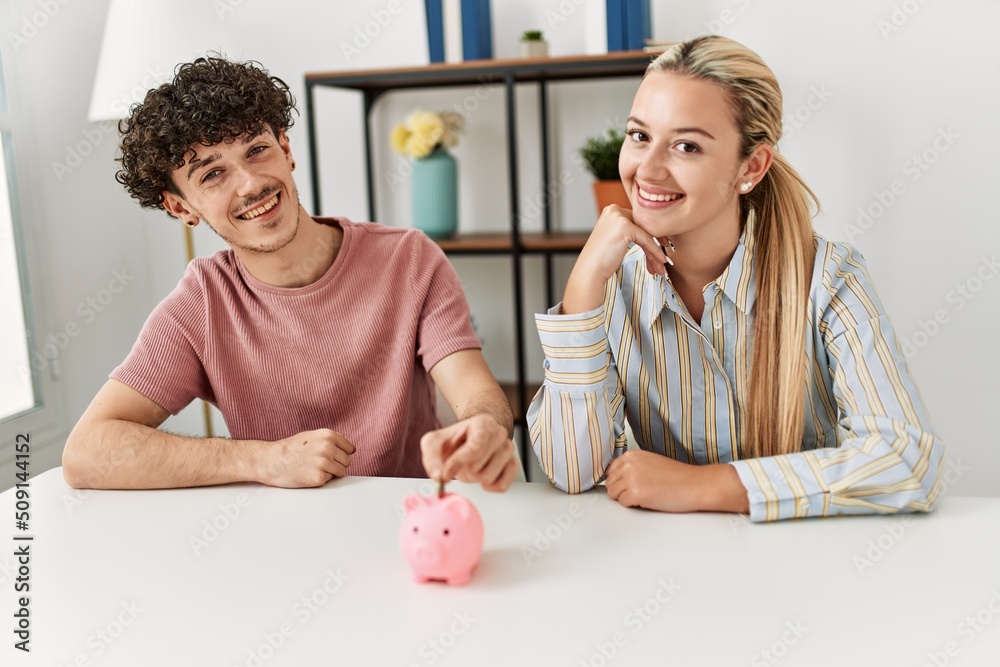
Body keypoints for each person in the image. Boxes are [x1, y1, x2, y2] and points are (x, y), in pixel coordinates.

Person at [527, 36, 944, 522]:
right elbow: (572, 471)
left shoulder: (829, 278)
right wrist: (581, 290)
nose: (648, 168)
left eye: (686, 145)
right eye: (639, 135)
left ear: (751, 166)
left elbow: (907, 461)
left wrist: (706, 486)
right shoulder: (610, 286)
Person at [62, 56, 518, 492]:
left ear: (285, 148)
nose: (250, 184)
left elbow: (477, 393)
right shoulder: (199, 306)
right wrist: (264, 459)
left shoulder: (410, 258)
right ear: (180, 206)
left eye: (257, 150)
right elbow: (86, 452)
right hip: (278, 543)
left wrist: (484, 429)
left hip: (407, 523)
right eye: (213, 174)